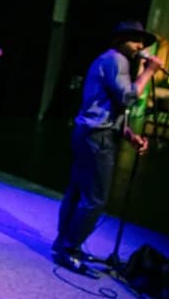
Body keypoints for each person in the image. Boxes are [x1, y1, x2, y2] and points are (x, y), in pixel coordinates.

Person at [52, 20, 162, 277]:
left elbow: (106, 106)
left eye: (143, 42)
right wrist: (149, 72)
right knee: (94, 200)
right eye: (135, 39)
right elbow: (127, 97)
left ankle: (65, 244)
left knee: (77, 193)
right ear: (120, 39)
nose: (140, 46)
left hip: (88, 133)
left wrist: (128, 134)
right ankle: (70, 248)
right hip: (97, 138)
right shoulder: (117, 61)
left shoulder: (110, 60)